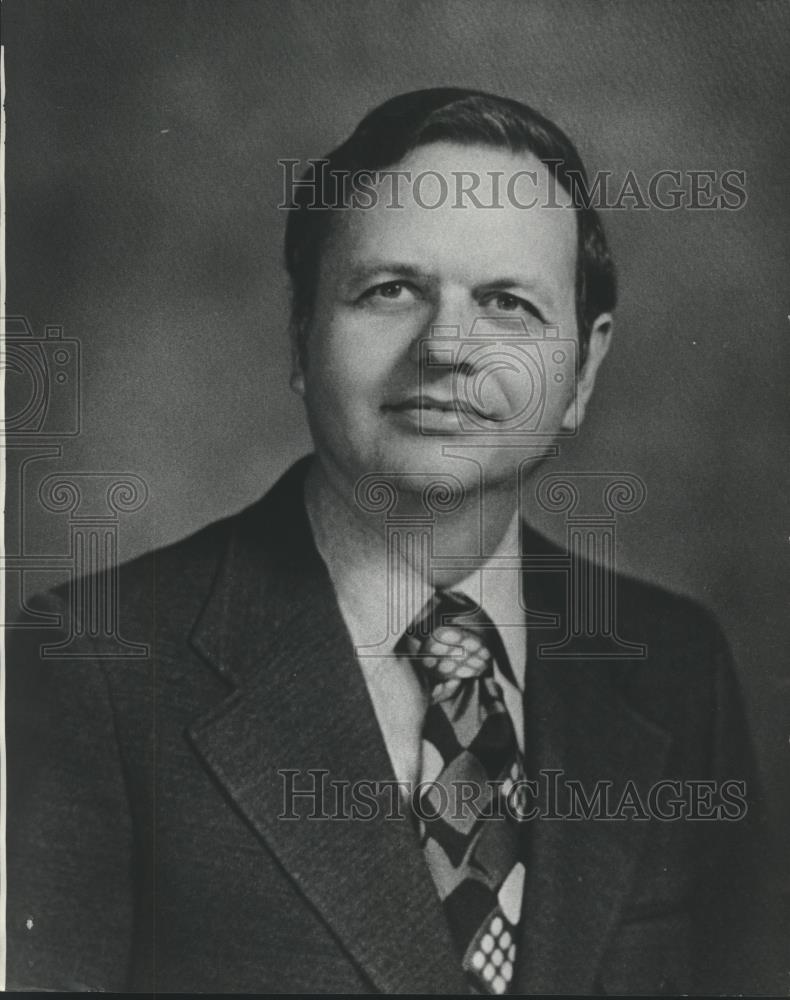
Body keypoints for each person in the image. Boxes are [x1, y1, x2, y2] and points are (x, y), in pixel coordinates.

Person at [5, 88, 772, 994]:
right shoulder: (93, 665)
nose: (448, 346)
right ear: (301, 338)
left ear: (583, 369)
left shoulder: (676, 665)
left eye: (507, 304)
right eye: (391, 290)